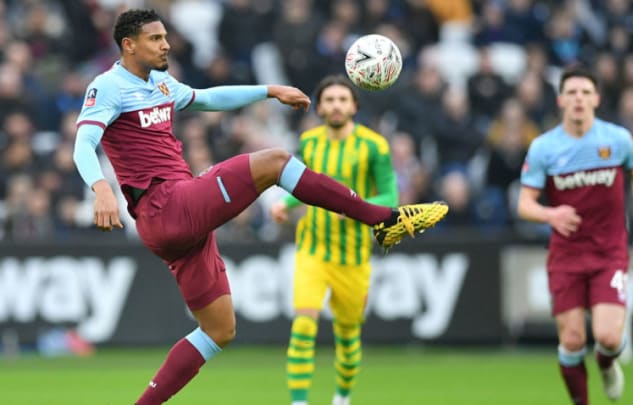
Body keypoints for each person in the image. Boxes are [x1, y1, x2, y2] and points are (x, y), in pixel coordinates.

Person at [72, 9, 448, 405]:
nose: (166, 44)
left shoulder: (160, 83)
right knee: (275, 162)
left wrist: (269, 89)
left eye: (165, 36)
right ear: (128, 45)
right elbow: (83, 143)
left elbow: (205, 99)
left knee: (219, 330)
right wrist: (100, 187)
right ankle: (383, 219)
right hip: (165, 205)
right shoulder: (108, 86)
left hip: (180, 226)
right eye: (155, 39)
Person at [517, 67, 633, 405]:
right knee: (574, 341)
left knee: (607, 338)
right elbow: (524, 204)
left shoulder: (617, 140)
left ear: (596, 98)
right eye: (572, 93)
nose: (579, 98)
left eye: (585, 92)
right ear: (561, 100)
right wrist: (552, 214)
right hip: (566, 256)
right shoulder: (544, 148)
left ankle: (607, 364)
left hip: (609, 253)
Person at [270, 75, 397, 405]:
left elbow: (390, 194)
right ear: (320, 107)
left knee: (348, 336)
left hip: (354, 257)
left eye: (343, 99)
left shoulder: (374, 146)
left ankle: (341, 398)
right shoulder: (309, 142)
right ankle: (299, 402)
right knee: (303, 326)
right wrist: (286, 203)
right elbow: (305, 186)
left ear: (354, 106)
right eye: (329, 100)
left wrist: (355, 208)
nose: (336, 105)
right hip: (313, 250)